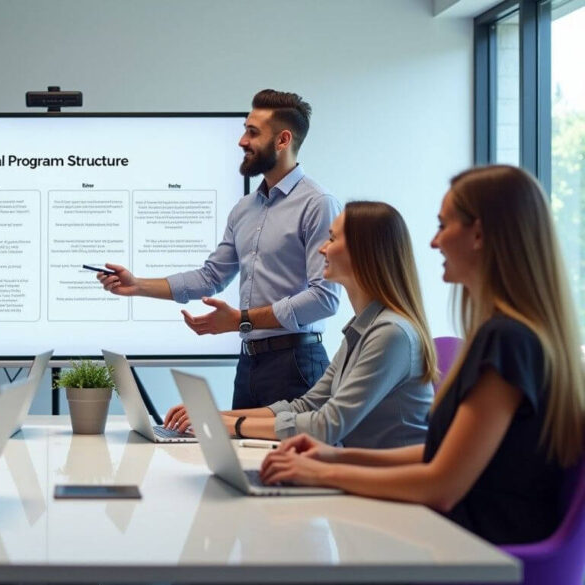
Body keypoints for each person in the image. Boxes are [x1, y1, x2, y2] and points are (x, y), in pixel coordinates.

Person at [260, 165, 585, 545]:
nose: (433, 242)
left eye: (443, 225)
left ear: (478, 234)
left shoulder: (506, 341)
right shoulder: (512, 336)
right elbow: (438, 455)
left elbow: (442, 484)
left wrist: (320, 474)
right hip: (462, 538)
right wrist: (332, 458)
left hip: (477, 551)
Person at [97, 89, 342, 409]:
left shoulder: (318, 204)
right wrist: (137, 284)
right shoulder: (245, 208)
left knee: (287, 459)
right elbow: (211, 277)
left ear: (283, 140)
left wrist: (242, 320)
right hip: (249, 366)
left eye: (252, 132)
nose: (242, 141)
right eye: (245, 130)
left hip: (297, 362)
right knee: (237, 457)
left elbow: (324, 299)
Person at [164, 201, 436, 449]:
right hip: (359, 477)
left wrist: (231, 425)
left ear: (364, 252)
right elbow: (307, 405)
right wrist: (212, 415)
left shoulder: (391, 333)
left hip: (386, 490)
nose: (322, 248)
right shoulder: (362, 329)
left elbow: (325, 426)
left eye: (332, 239)